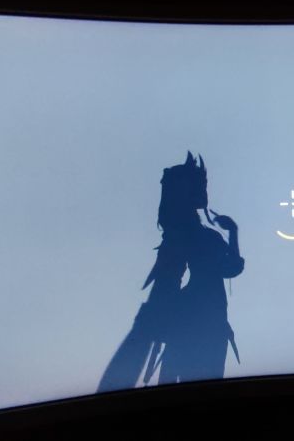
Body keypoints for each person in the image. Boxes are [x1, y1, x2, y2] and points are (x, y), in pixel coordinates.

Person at [98, 151, 243, 391]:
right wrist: (233, 232)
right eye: (200, 185)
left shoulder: (186, 236)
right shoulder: (195, 237)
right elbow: (231, 267)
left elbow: (229, 268)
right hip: (204, 326)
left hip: (200, 325)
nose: (205, 190)